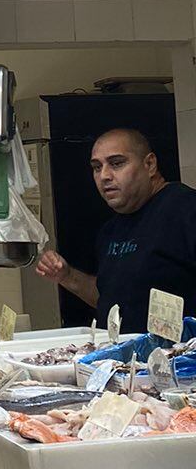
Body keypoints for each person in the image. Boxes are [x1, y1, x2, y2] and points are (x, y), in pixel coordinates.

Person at [35, 128, 196, 330]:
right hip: (124, 357)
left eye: (117, 163)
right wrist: (67, 276)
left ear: (150, 164)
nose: (104, 176)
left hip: (180, 358)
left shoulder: (186, 209)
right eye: (96, 167)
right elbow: (109, 299)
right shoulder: (110, 230)